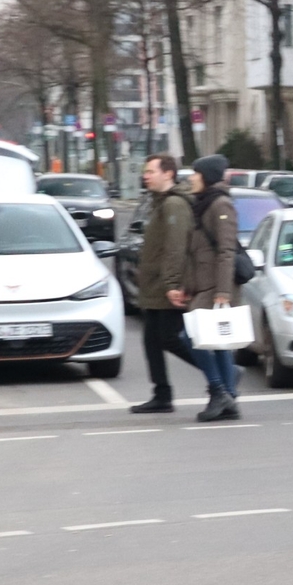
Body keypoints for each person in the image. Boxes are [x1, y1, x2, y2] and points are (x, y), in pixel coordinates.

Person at [128, 153, 204, 414]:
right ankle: (162, 394)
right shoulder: (159, 203)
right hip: (154, 285)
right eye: (145, 171)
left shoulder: (174, 205)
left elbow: (176, 248)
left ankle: (224, 372)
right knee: (152, 341)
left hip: (167, 286)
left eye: (151, 171)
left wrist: (173, 283)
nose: (145, 176)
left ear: (168, 174)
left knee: (170, 338)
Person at [172, 152, 243, 419]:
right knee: (218, 343)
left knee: (189, 338)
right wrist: (186, 287)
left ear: (207, 177)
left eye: (195, 173)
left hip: (217, 288)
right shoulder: (202, 203)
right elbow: (196, 253)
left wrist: (223, 293)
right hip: (203, 286)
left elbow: (226, 251)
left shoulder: (220, 205)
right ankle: (229, 398)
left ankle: (219, 390)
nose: (191, 178)